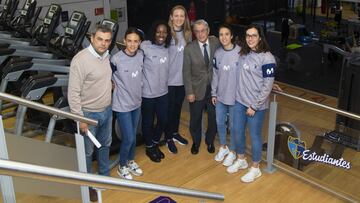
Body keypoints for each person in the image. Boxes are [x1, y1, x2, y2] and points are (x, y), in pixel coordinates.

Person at [68, 25, 113, 201]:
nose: (103, 43)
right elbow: (73, 93)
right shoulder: (80, 60)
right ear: (92, 38)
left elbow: (102, 77)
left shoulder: (106, 56)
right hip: (88, 114)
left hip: (107, 111)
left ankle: (104, 176)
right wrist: (80, 119)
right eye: (100, 39)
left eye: (107, 40)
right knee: (87, 152)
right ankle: (87, 185)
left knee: (105, 145)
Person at [229, 25, 276, 183]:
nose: (250, 38)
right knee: (236, 131)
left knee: (255, 137)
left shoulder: (267, 58)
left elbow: (267, 85)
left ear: (260, 38)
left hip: (256, 106)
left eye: (254, 35)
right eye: (248, 35)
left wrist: (254, 106)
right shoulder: (244, 54)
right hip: (239, 102)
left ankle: (255, 168)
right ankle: (241, 159)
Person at [110, 28, 144, 180]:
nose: (132, 44)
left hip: (136, 103)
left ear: (139, 43)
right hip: (122, 105)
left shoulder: (141, 56)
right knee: (128, 138)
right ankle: (122, 166)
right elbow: (106, 76)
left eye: (135, 41)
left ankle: (131, 161)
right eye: (129, 41)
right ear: (124, 41)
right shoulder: (115, 59)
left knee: (134, 136)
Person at [183, 19, 220, 155]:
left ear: (208, 30)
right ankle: (196, 142)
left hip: (214, 88)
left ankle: (210, 141)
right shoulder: (189, 48)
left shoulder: (216, 42)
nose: (200, 34)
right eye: (197, 31)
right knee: (195, 118)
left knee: (213, 117)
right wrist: (189, 92)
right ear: (194, 33)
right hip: (196, 89)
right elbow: (186, 72)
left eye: (203, 30)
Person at [141, 20, 172, 162]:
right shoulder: (145, 47)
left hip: (163, 93)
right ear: (154, 32)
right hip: (147, 94)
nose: (161, 34)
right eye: (158, 31)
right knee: (148, 122)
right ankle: (149, 147)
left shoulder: (167, 48)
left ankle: (154, 142)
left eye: (164, 32)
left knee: (163, 120)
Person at [164, 5, 192, 154]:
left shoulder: (188, 34)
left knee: (177, 109)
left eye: (182, 15)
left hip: (182, 80)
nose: (179, 18)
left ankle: (174, 133)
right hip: (168, 81)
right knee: (169, 110)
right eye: (176, 15)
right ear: (171, 17)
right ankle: (168, 138)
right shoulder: (166, 34)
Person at [211, 24, 240, 166]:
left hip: (235, 98)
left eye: (226, 34)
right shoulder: (217, 54)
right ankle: (223, 147)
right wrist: (213, 93)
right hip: (221, 97)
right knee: (220, 123)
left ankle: (233, 152)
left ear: (232, 36)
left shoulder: (241, 53)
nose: (224, 37)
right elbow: (215, 75)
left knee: (234, 126)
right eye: (221, 34)